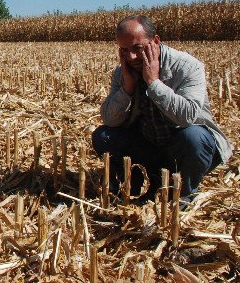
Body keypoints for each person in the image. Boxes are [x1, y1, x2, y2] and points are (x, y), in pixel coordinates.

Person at [92, 15, 232, 205]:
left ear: (155, 41)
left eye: (137, 48)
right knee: (103, 136)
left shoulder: (186, 67)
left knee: (193, 137)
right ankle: (136, 183)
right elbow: (110, 120)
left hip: (185, 150)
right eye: (124, 50)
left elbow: (187, 116)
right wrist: (127, 89)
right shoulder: (123, 72)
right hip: (151, 148)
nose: (131, 56)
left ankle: (183, 195)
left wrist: (153, 83)